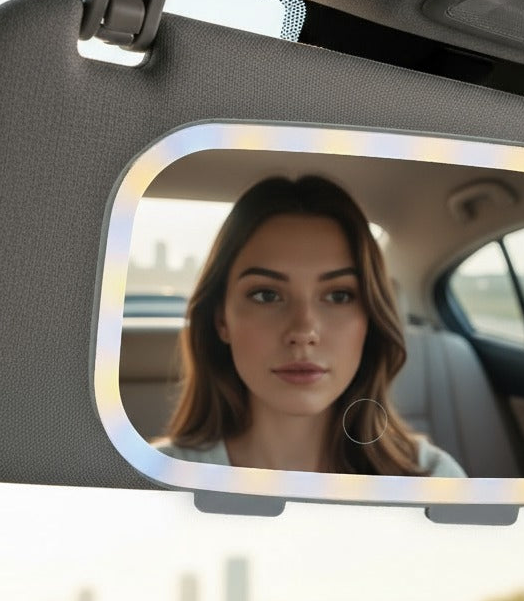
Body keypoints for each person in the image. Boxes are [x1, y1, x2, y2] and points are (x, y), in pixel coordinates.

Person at [154, 174, 466, 477]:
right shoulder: (154, 481)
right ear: (221, 319)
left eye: (339, 295)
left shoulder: (434, 482)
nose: (303, 332)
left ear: (370, 319)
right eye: (266, 295)